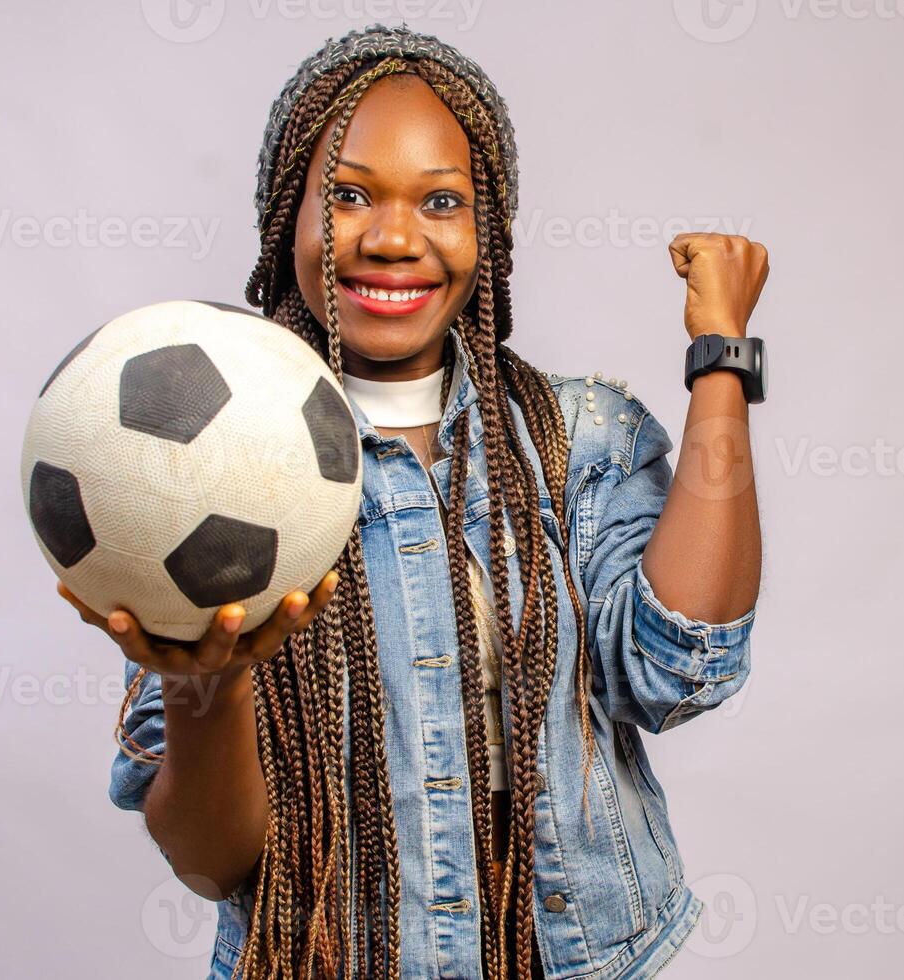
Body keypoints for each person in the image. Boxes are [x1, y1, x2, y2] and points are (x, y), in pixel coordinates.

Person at [58, 22, 767, 980]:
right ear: (288, 218)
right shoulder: (205, 465)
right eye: (347, 196)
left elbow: (679, 674)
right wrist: (205, 688)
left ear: (489, 230)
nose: (395, 239)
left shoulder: (574, 437)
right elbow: (215, 863)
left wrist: (720, 356)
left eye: (442, 201)